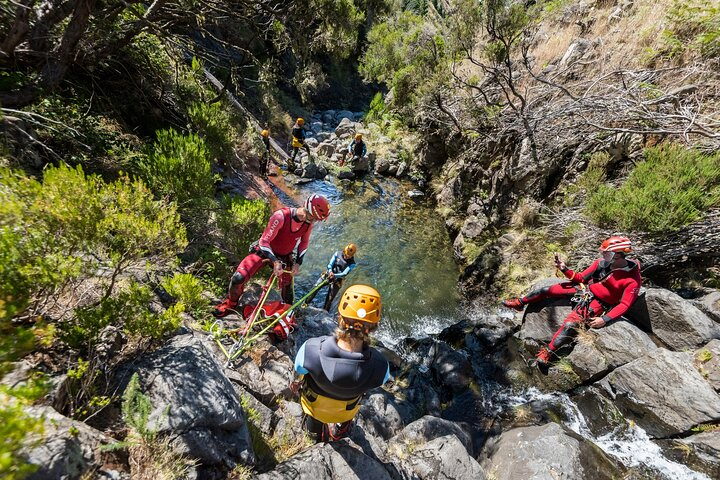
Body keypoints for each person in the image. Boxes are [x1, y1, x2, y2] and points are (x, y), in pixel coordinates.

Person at [502, 236, 642, 371]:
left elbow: (624, 305)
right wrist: (564, 268)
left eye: (606, 252)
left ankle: (548, 352)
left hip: (598, 302)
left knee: (570, 324)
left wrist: (604, 319)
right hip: (584, 290)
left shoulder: (633, 279)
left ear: (617, 254)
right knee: (546, 290)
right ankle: (519, 303)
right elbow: (581, 278)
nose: (602, 254)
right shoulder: (602, 263)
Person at [291, 284, 390, 443]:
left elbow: (298, 373)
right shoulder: (381, 366)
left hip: (314, 408)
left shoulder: (311, 349)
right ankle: (339, 431)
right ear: (373, 326)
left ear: (339, 318)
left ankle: (316, 437)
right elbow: (378, 382)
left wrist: (295, 383)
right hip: (347, 411)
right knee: (349, 410)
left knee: (314, 421)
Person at [213, 194, 331, 317]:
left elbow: (304, 242)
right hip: (264, 252)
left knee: (288, 295)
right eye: (314, 218)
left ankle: (284, 315)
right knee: (238, 278)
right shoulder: (281, 217)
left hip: (284, 257)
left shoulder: (308, 223)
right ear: (308, 211)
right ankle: (231, 304)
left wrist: (298, 263)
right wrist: (275, 261)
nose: (315, 221)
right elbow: (264, 241)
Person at [305, 244, 357, 311]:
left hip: (338, 280)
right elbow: (330, 264)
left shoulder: (352, 263)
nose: (347, 257)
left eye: (349, 256)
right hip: (328, 274)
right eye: (346, 255)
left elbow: (344, 273)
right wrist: (330, 271)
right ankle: (306, 303)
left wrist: (335, 275)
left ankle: (324, 312)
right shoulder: (337, 254)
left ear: (352, 255)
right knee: (315, 288)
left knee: (330, 299)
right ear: (344, 251)